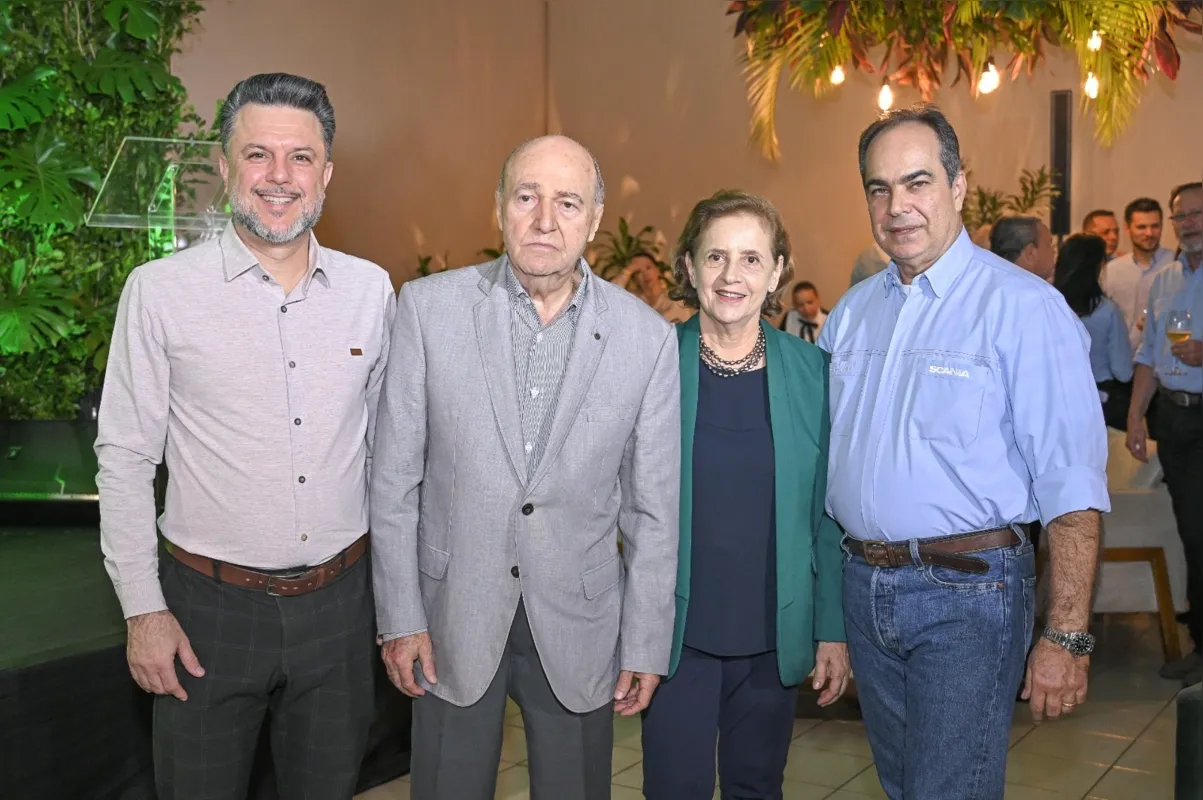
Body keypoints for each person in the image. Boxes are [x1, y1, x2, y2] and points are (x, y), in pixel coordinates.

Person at [95, 73, 396, 799]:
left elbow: (391, 458)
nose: (278, 178)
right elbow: (125, 458)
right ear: (225, 167)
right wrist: (143, 610)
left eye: (300, 157)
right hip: (205, 614)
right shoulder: (159, 292)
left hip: (339, 608)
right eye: (257, 155)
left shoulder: (371, 291)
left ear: (326, 173)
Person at [369, 134, 681, 799]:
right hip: (449, 617)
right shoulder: (427, 311)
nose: (545, 220)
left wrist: (646, 644)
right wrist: (400, 616)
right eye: (527, 197)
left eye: (567, 202)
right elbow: (393, 483)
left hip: (581, 623)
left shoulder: (646, 341)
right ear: (498, 208)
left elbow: (651, 511)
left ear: (594, 220)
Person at [818, 105, 1109, 799]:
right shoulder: (851, 313)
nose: (897, 206)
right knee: (903, 786)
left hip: (969, 591)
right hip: (865, 587)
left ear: (957, 186)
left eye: (916, 182)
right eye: (878, 188)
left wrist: (1066, 636)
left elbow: (1071, 485)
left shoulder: (1022, 308)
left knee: (947, 790)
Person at [639, 190, 849, 799]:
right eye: (716, 258)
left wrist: (830, 630)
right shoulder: (652, 364)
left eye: (752, 259)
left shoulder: (812, 374)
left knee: (757, 788)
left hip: (773, 632)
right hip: (676, 635)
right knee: (672, 788)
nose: (733, 276)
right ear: (688, 267)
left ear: (778, 270)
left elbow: (826, 518)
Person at [1127, 181, 1203, 687]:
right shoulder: (1165, 281)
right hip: (1175, 420)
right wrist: (1135, 417)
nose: (1189, 223)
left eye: (1198, 213)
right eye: (1183, 216)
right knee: (1193, 535)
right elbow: (1150, 356)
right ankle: (1200, 648)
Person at [1054, 233, 1134, 430]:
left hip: (1057, 401)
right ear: (1098, 267)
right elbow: (1122, 372)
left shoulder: (1049, 305)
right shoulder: (1107, 311)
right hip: (1101, 404)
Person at [1102, 197, 1177, 350]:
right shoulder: (1111, 271)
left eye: (1155, 226)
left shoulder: (1177, 265)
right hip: (1122, 363)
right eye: (1141, 227)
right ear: (1127, 228)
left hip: (1166, 362)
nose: (1149, 233)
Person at [612, 250, 693, 323]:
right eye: (638, 271)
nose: (645, 274)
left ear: (657, 270)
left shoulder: (675, 301)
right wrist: (628, 270)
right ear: (635, 279)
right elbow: (609, 297)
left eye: (648, 267)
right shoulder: (633, 301)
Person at [989, 215, 1057, 282]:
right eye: (1049, 245)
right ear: (1030, 253)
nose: (1054, 251)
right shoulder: (1033, 292)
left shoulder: (988, 287)